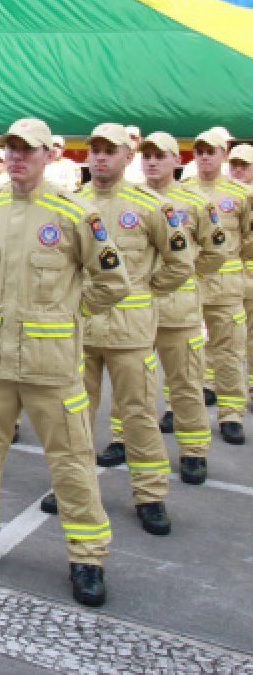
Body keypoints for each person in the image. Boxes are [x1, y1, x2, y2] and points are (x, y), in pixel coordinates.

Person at [0, 117, 129, 608]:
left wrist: (72, 314)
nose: (17, 157)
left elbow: (112, 281)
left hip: (52, 363)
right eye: (11, 149)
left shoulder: (74, 214)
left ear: (49, 156)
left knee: (72, 460)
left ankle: (87, 557)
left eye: (28, 150)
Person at [74, 123, 192, 535]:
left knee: (139, 414)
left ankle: (150, 494)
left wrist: (144, 291)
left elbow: (179, 264)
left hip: (130, 331)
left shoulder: (151, 205)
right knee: (75, 416)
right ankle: (76, 488)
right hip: (81, 330)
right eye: (96, 150)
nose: (101, 157)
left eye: (111, 150)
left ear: (128, 156)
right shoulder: (71, 204)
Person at [132, 132, 226, 484]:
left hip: (178, 310)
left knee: (185, 383)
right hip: (135, 312)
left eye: (160, 156)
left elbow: (217, 250)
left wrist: (185, 275)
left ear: (176, 160)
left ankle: (193, 451)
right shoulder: (130, 200)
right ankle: (124, 440)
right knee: (134, 387)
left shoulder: (196, 202)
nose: (152, 162)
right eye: (148, 156)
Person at [184, 129, 253, 443]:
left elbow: (249, 241)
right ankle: (180, 410)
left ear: (223, 154)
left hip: (226, 286)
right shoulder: (181, 191)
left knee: (228, 353)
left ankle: (231, 414)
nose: (204, 157)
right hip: (188, 285)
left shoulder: (241, 194)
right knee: (185, 354)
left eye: (210, 151)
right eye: (199, 152)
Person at [227, 144, 253, 407]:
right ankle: (212, 385)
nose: (238, 170)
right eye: (234, 164)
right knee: (224, 342)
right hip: (231, 282)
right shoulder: (227, 195)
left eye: (244, 165)